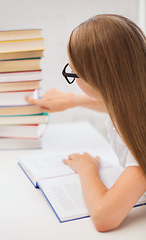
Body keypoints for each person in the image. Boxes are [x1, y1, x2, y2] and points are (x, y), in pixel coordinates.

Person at [25, 14, 146, 232]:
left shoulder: (141, 139)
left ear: (99, 79)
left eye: (74, 73)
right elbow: (113, 103)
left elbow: (104, 217)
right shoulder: (136, 92)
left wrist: (87, 168)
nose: (74, 79)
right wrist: (73, 100)